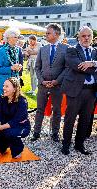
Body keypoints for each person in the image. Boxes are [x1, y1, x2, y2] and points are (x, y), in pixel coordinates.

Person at [61, 26, 97, 155]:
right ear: (79, 37)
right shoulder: (72, 50)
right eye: (83, 36)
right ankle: (66, 144)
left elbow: (88, 66)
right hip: (75, 90)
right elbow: (78, 66)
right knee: (70, 118)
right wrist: (92, 65)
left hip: (91, 91)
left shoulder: (95, 51)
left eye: (89, 36)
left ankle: (79, 144)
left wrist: (92, 63)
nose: (86, 38)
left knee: (86, 119)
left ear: (92, 37)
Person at [31, 23, 68, 142]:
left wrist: (56, 81)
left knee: (57, 110)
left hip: (57, 86)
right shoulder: (43, 49)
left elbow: (67, 68)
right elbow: (37, 67)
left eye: (48, 33)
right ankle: (36, 133)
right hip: (42, 86)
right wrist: (42, 81)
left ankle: (55, 133)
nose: (46, 35)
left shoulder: (65, 49)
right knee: (40, 109)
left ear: (56, 34)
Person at [0, 77, 30, 158]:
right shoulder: (2, 98)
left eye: (7, 86)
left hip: (21, 126)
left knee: (9, 132)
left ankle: (18, 149)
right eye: (4, 86)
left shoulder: (22, 101)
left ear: (14, 89)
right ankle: (4, 145)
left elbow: (15, 121)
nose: (3, 88)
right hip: (6, 124)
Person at [0, 28, 22, 99]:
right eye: (15, 37)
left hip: (15, 83)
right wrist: (11, 68)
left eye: (17, 37)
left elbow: (16, 63)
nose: (17, 39)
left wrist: (18, 67)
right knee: (1, 107)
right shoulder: (1, 51)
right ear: (8, 38)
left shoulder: (17, 49)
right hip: (4, 83)